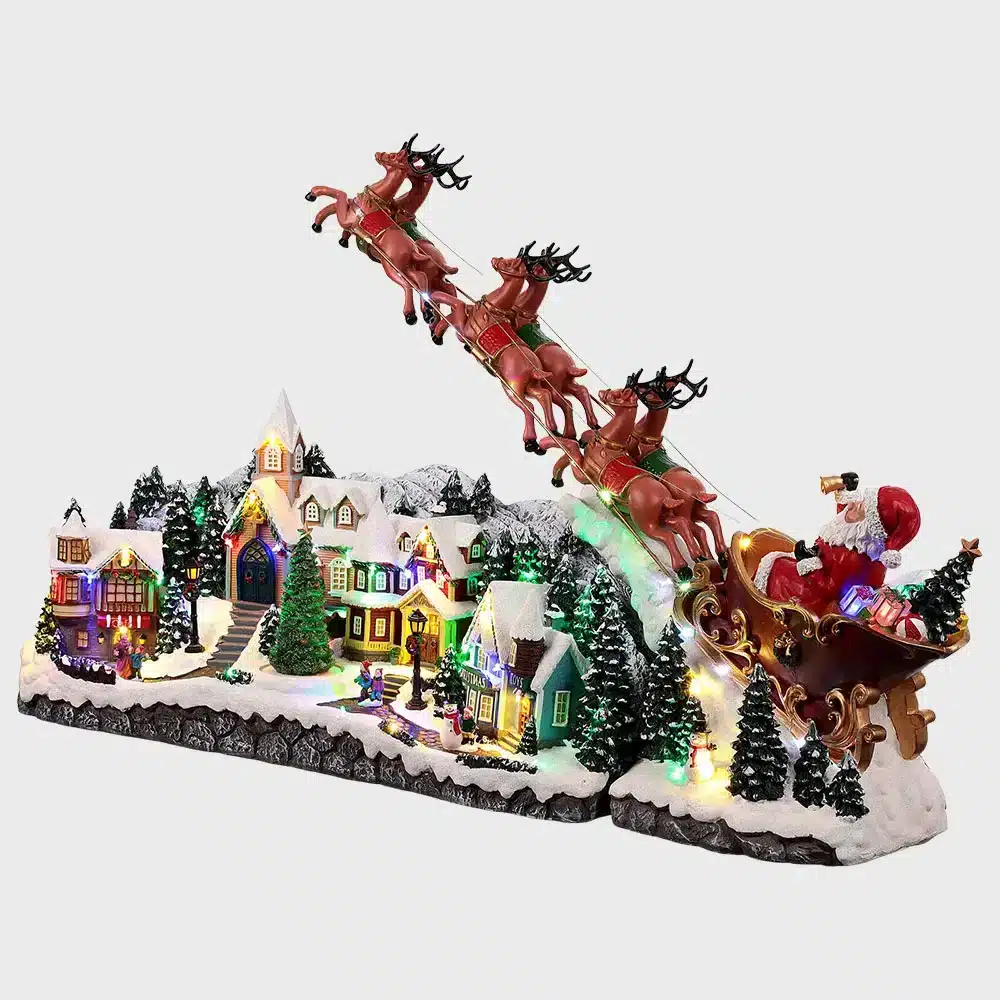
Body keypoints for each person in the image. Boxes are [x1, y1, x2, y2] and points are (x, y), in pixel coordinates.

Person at [753, 475, 920, 616]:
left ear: (870, 528)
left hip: (815, 598)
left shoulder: (854, 558)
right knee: (778, 558)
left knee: (775, 564)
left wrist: (808, 562)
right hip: (817, 570)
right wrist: (847, 491)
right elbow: (842, 523)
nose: (854, 504)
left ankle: (762, 608)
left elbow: (830, 590)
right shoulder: (854, 535)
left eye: (862, 507)